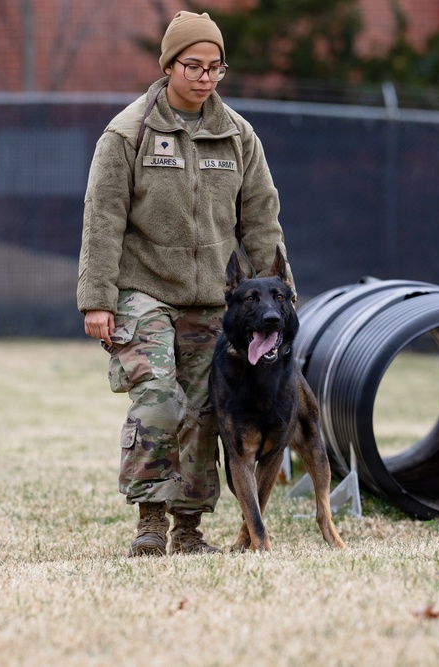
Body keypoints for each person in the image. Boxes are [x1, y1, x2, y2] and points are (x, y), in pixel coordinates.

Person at [77, 10, 292, 556]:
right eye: (192, 65)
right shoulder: (129, 133)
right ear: (168, 65)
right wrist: (97, 299)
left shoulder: (239, 136)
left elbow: (262, 221)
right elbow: (102, 218)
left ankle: (189, 531)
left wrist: (283, 298)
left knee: (204, 413)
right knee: (159, 401)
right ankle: (150, 524)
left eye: (215, 67)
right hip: (141, 291)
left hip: (211, 305)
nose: (204, 76)